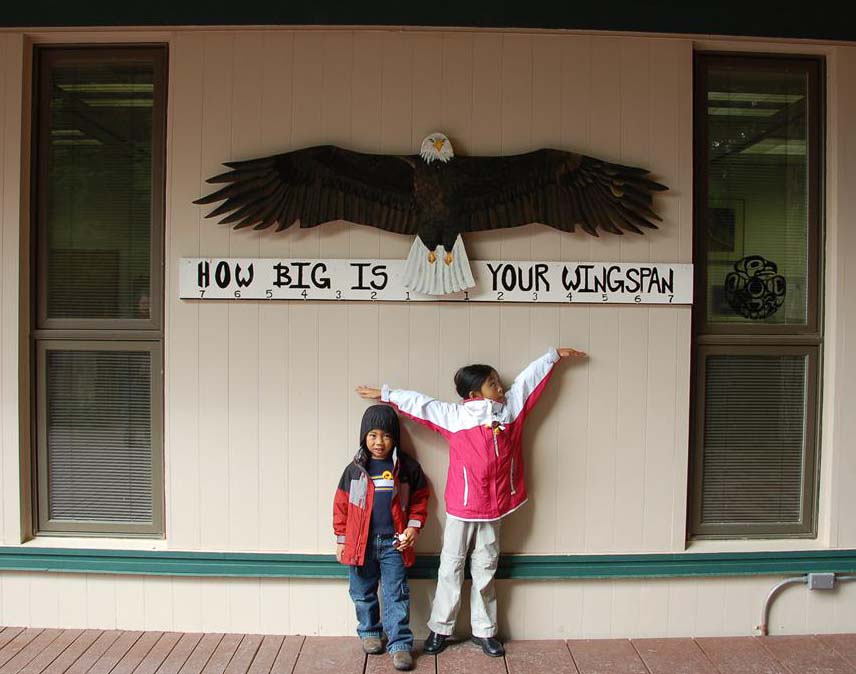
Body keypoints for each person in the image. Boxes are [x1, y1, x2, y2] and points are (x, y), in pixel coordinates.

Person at [356, 347, 586, 657]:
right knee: (450, 567)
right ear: (475, 392)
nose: (501, 387)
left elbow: (527, 382)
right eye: (493, 383)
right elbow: (420, 405)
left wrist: (552, 356)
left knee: (485, 569)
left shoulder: (509, 412)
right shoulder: (456, 416)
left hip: (495, 509)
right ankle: (440, 628)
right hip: (462, 509)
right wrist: (386, 394)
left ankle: (485, 631)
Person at [333, 404, 429, 671]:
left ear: (394, 438)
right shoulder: (355, 470)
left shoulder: (407, 468)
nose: (379, 442)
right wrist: (341, 541)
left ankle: (399, 644)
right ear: (364, 436)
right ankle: (370, 632)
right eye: (373, 435)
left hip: (394, 544)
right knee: (362, 593)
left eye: (386, 436)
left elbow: (421, 501)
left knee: (396, 594)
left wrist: (412, 527)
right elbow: (341, 508)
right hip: (360, 544)